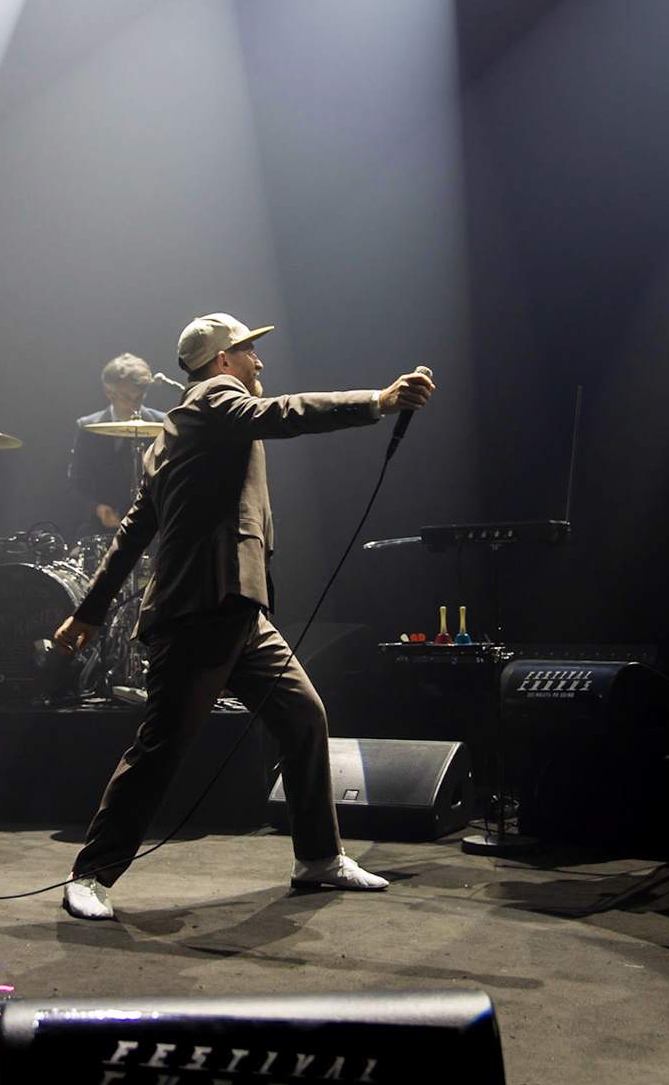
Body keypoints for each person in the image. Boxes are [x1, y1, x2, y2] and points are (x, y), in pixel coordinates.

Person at [52, 313, 434, 919]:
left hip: (236, 610)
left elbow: (131, 533)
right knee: (163, 746)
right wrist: (377, 402)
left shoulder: (171, 435)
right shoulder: (213, 400)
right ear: (222, 360)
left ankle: (317, 856)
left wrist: (90, 613)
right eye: (250, 352)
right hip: (200, 609)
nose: (259, 363)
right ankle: (89, 874)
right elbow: (282, 413)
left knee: (303, 716)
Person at [68, 353, 168, 536]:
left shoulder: (163, 424)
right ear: (108, 392)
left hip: (153, 528)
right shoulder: (88, 428)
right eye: (126, 397)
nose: (133, 407)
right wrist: (96, 508)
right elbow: (75, 486)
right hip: (102, 529)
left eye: (139, 398)